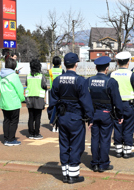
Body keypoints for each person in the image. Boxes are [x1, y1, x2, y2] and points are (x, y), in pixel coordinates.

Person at [48, 52, 94, 184]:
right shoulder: (80, 80)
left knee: (64, 144)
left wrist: (52, 117)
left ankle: (65, 173)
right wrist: (90, 118)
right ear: (76, 64)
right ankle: (73, 175)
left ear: (64, 64)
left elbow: (53, 101)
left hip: (62, 117)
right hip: (76, 117)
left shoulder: (58, 80)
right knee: (76, 145)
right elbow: (86, 102)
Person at [87, 56, 123, 172]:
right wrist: (120, 115)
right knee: (105, 139)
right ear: (107, 68)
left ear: (96, 68)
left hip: (93, 113)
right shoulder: (111, 82)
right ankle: (103, 164)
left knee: (94, 138)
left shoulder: (89, 81)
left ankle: (95, 163)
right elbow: (117, 100)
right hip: (106, 114)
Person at [110, 51, 134, 158]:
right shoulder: (133, 75)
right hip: (129, 106)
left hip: (115, 106)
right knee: (128, 128)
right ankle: (127, 151)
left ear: (118, 62)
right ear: (128, 62)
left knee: (118, 127)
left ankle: (118, 150)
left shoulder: (112, 74)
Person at [0, 58, 25, 146]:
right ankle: (11, 139)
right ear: (14, 66)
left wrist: (4, 93)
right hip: (13, 101)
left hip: (4, 101)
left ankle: (6, 139)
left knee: (6, 120)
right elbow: (19, 89)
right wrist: (22, 99)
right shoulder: (14, 75)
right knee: (14, 121)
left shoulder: (1, 75)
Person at [25, 59, 47, 140]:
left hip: (29, 98)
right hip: (38, 98)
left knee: (31, 116)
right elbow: (44, 85)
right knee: (38, 117)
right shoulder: (41, 76)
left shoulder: (28, 75)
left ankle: (31, 133)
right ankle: (37, 133)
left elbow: (26, 84)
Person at [48, 56, 65, 132]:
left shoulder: (50, 71)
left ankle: (53, 125)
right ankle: (58, 125)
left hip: (52, 91)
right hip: (61, 91)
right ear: (60, 63)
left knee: (53, 107)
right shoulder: (62, 71)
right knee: (60, 108)